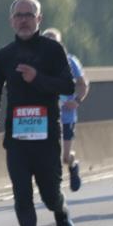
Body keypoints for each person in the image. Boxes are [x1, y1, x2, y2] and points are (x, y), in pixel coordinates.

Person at [0, 0, 77, 226]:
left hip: (47, 136)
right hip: (17, 138)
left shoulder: (52, 50)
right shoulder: (4, 55)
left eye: (29, 14)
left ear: (39, 19)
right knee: (22, 195)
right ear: (11, 20)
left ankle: (60, 213)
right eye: (19, 15)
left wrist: (36, 78)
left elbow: (67, 87)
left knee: (50, 194)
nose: (23, 19)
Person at [41, 28, 89, 191]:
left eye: (54, 42)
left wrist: (76, 101)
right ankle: (52, 185)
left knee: (65, 157)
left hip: (67, 116)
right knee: (46, 153)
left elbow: (83, 84)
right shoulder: (37, 63)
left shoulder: (70, 61)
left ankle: (73, 164)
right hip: (46, 116)